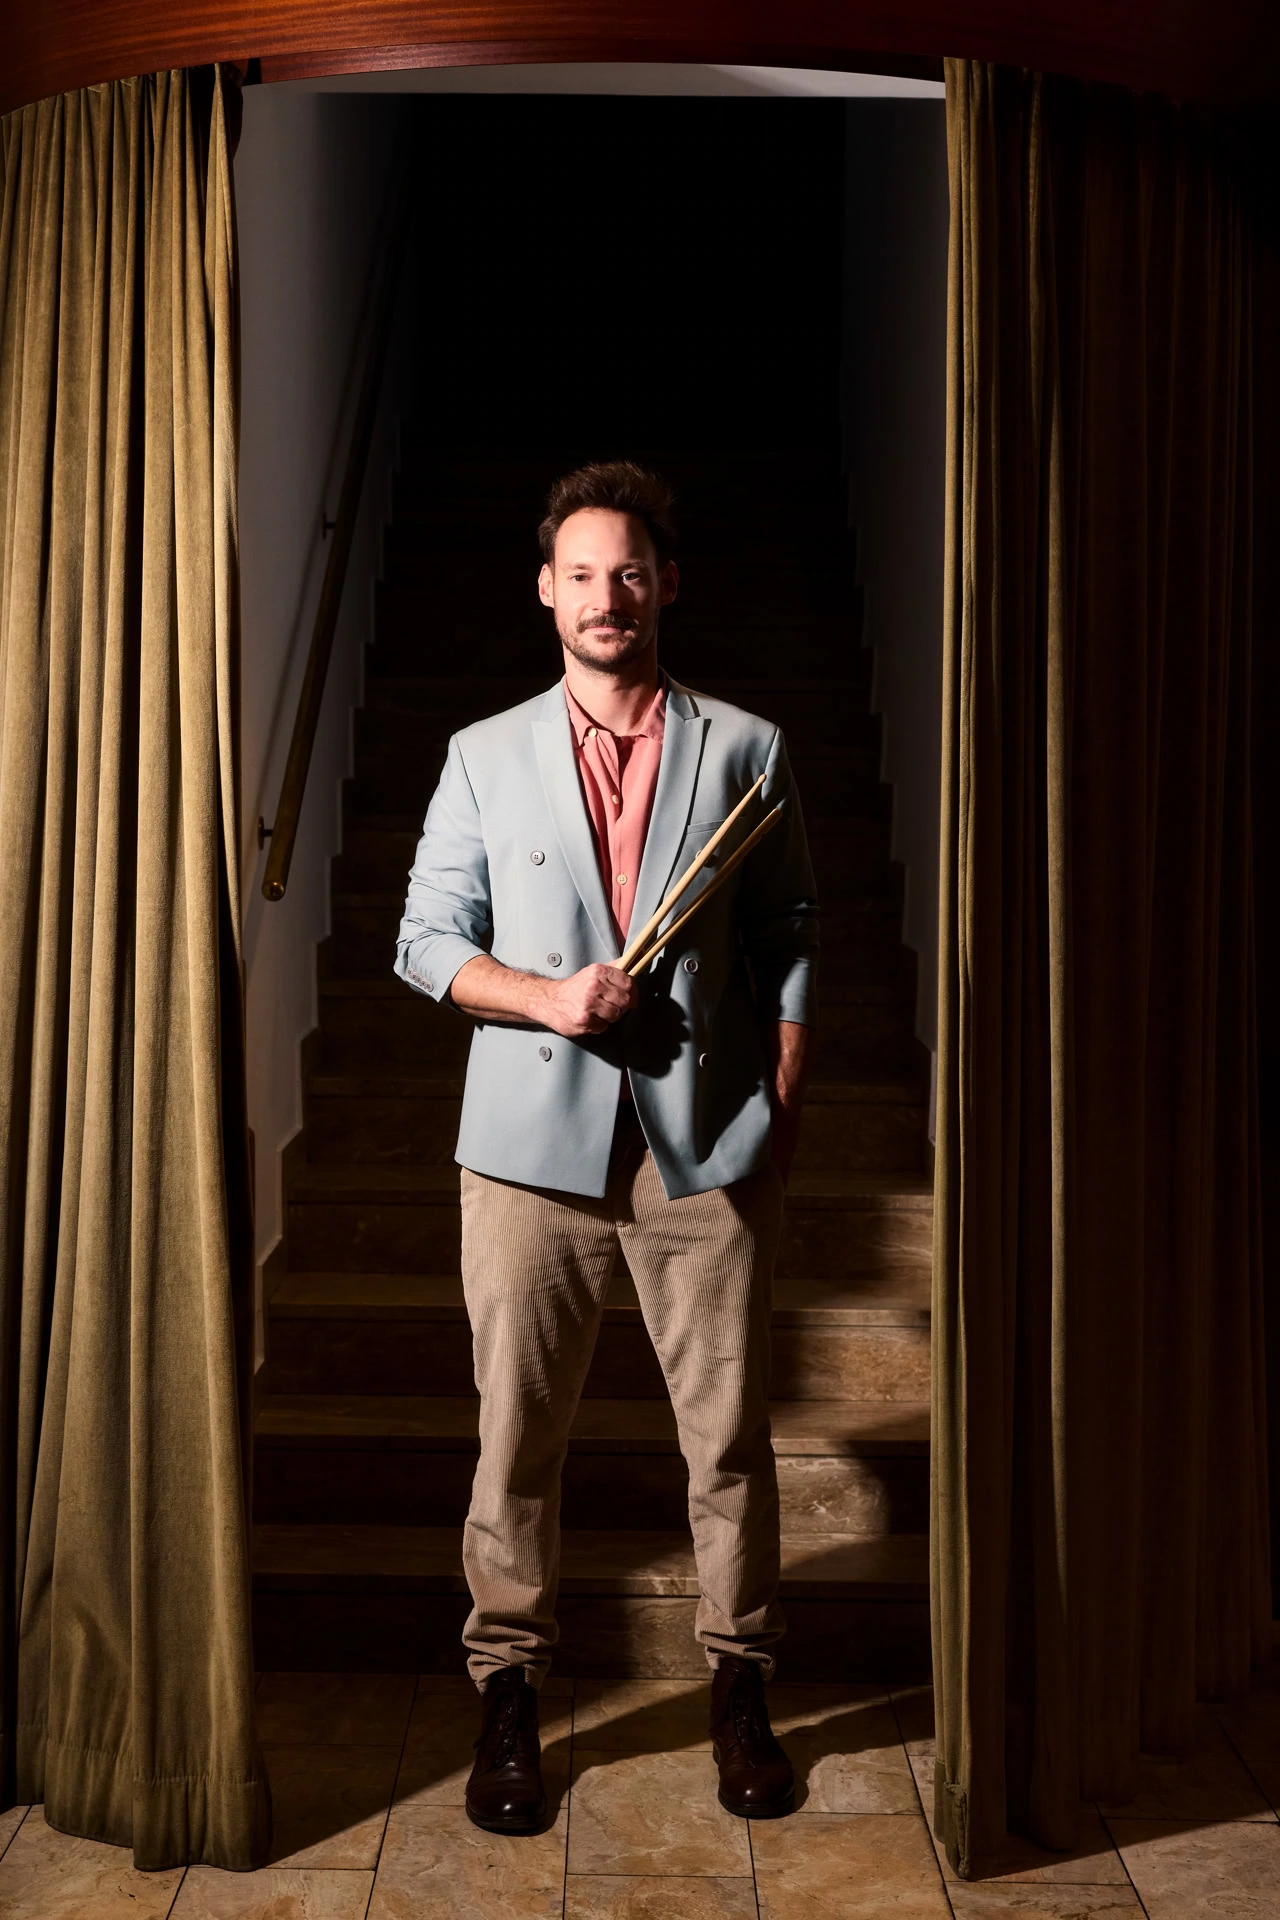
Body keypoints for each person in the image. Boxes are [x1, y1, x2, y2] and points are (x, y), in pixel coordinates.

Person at [395, 460, 818, 1834]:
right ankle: (509, 1691)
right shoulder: (483, 753)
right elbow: (424, 942)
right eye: (580, 573)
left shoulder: (745, 746)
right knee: (515, 1442)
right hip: (527, 1154)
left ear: (665, 584)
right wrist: (544, 998)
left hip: (705, 1148)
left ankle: (740, 1684)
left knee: (729, 1441)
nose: (606, 595)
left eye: (628, 570)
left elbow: (791, 933)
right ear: (545, 590)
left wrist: (783, 1097)